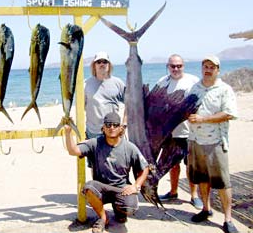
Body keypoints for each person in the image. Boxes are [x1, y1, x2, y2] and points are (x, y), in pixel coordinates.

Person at [64, 112, 149, 233]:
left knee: (131, 207)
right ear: (103, 128)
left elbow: (144, 168)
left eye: (115, 125)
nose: (111, 128)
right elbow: (73, 151)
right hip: (101, 187)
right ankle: (103, 218)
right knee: (89, 188)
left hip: (121, 188)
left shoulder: (129, 147)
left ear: (121, 128)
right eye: (108, 125)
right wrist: (68, 133)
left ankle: (119, 212)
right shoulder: (95, 143)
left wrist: (136, 185)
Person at [188, 55, 238, 233]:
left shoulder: (225, 89)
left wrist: (203, 119)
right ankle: (206, 209)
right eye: (205, 66)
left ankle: (228, 219)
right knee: (201, 179)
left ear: (218, 70)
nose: (208, 69)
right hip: (195, 140)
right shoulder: (195, 88)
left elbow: (229, 113)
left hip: (215, 142)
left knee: (223, 182)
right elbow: (186, 109)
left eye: (212, 67)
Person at [157, 54, 203, 209]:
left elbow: (202, 103)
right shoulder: (162, 82)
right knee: (172, 165)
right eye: (172, 66)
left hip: (190, 132)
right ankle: (173, 191)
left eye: (179, 66)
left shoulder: (194, 81)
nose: (176, 69)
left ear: (183, 66)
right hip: (170, 133)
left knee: (191, 165)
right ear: (167, 66)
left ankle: (194, 195)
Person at [84, 51, 126, 140]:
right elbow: (81, 107)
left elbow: (130, 103)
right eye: (99, 62)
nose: (102, 64)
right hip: (93, 133)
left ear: (109, 65)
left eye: (105, 61)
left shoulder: (118, 83)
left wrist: (124, 124)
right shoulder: (85, 84)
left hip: (114, 131)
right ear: (94, 65)